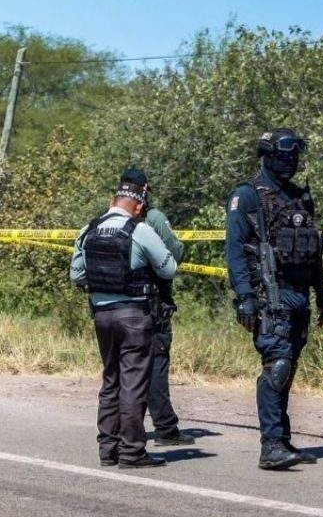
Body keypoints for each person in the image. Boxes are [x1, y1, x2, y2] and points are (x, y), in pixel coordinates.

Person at [226, 128, 323, 470]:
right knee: (277, 366)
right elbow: (236, 253)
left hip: (300, 295)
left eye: (295, 153)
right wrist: (244, 298)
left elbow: (312, 251)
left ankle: (282, 439)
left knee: (290, 368)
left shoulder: (300, 197)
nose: (291, 160)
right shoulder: (248, 196)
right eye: (285, 153)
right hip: (270, 295)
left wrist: (322, 293)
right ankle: (270, 446)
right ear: (267, 154)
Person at [71, 174, 176, 468]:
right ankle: (132, 452)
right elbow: (169, 269)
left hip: (101, 316)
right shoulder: (139, 230)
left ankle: (108, 451)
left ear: (112, 200)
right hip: (134, 315)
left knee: (110, 381)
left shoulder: (88, 230)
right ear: (139, 207)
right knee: (133, 383)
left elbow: (76, 275)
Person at [122, 169, 195, 447]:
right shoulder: (154, 219)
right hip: (153, 305)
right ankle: (165, 428)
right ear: (146, 190)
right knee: (156, 366)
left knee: (124, 369)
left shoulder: (110, 220)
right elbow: (174, 254)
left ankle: (123, 428)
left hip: (119, 307)